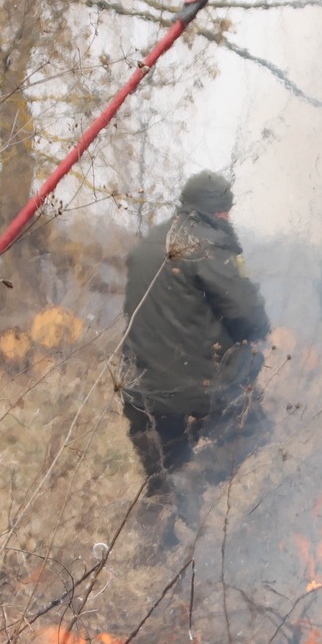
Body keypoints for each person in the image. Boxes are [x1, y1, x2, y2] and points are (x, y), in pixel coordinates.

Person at [120, 170, 272, 546]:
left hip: (140, 392)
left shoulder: (151, 240)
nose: (229, 218)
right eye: (226, 211)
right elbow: (248, 313)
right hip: (193, 389)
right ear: (218, 211)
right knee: (255, 429)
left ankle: (151, 566)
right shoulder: (208, 245)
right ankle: (195, 480)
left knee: (163, 484)